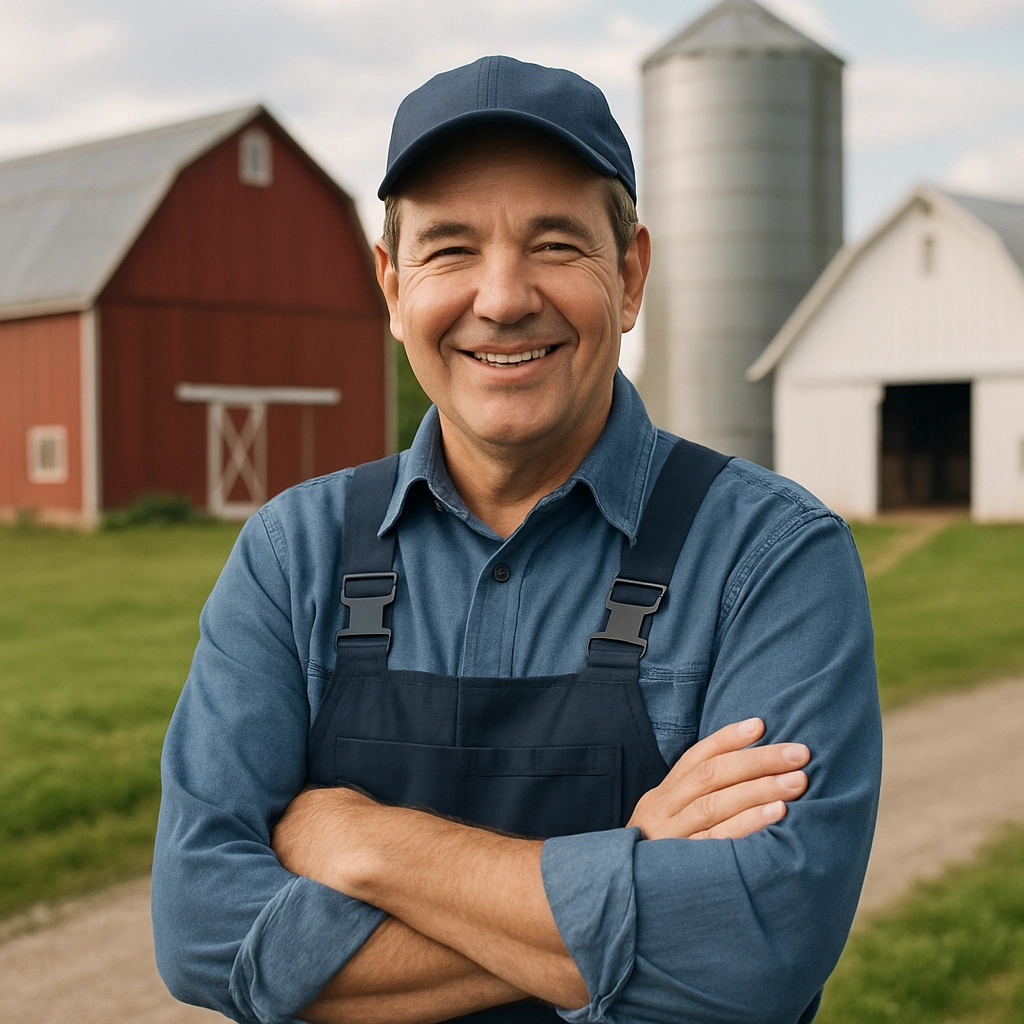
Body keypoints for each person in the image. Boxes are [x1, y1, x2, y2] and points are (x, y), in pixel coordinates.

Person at [153, 56, 881, 1024]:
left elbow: (753, 953)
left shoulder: (769, 553)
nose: (501, 298)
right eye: (450, 249)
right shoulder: (296, 550)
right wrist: (633, 878)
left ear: (627, 277)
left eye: (554, 245)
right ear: (392, 284)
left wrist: (372, 845)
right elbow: (202, 932)